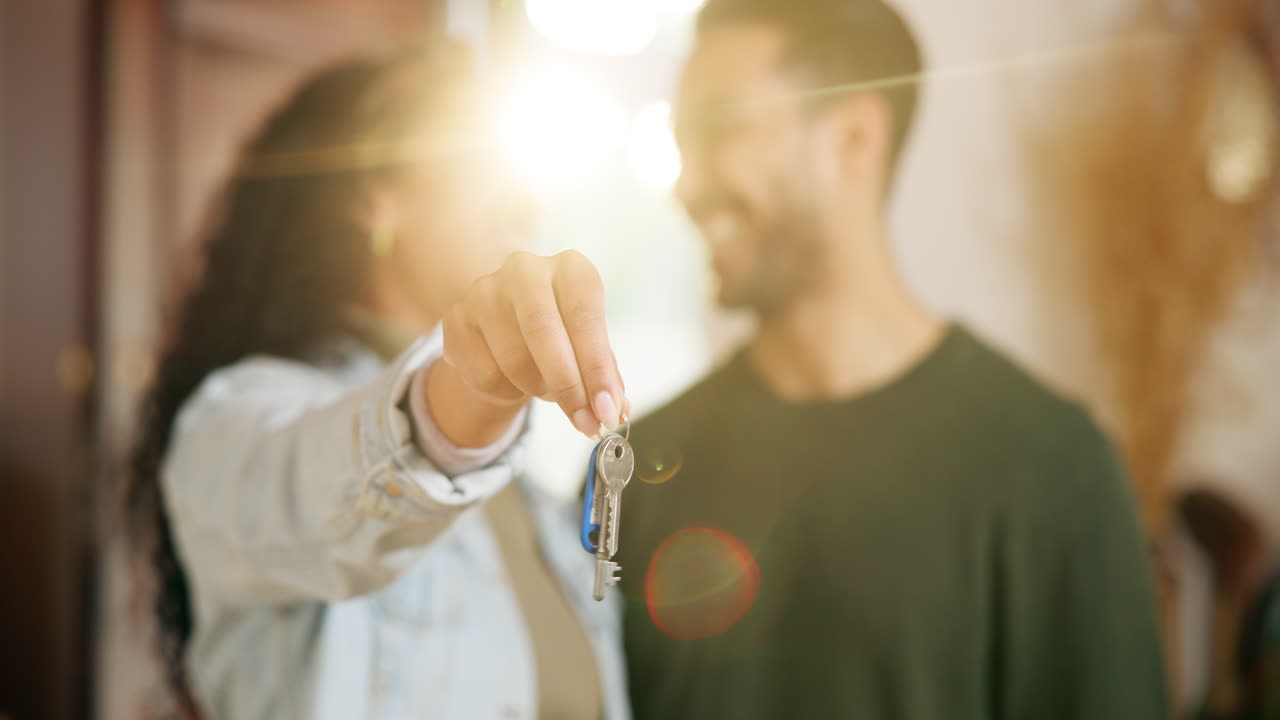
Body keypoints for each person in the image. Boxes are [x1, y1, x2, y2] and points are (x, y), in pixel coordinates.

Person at [616, 1, 1170, 718]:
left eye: (722, 130)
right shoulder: (643, 465)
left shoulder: (1051, 469)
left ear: (853, 138)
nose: (687, 187)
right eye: (683, 143)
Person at [127, 44, 633, 720]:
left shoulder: (531, 499)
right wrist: (468, 395)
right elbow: (325, 483)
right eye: (484, 163)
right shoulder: (237, 420)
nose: (526, 199)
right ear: (374, 198)